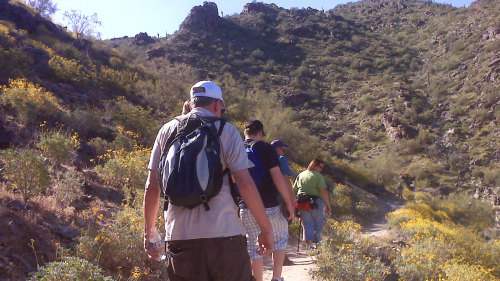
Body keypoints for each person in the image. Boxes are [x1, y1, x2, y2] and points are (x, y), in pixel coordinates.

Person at [143, 81, 274, 281]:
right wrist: (266, 229)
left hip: (179, 238)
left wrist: (149, 233)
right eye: (221, 108)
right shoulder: (226, 130)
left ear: (190, 104)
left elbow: (152, 187)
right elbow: (245, 183)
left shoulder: (167, 130)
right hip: (225, 235)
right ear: (216, 104)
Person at [241, 120, 295, 281]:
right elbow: (278, 178)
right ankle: (276, 278)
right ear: (261, 133)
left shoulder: (236, 148)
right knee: (280, 238)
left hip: (246, 207)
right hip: (270, 206)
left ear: (245, 133)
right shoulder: (266, 149)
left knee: (253, 245)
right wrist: (289, 204)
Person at [293, 159, 332, 249]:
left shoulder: (301, 175)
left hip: (302, 202)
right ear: (314, 165)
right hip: (316, 202)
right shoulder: (318, 176)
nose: (321, 169)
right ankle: (318, 244)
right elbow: (323, 191)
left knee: (307, 223)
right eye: (320, 167)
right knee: (319, 223)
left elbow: (294, 189)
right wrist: (328, 205)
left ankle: (310, 244)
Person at [271, 139, 295, 266]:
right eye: (282, 149)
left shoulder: (265, 159)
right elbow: (286, 180)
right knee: (283, 228)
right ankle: (282, 258)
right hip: (281, 197)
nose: (283, 151)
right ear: (277, 149)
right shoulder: (281, 160)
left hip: (267, 198)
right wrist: (291, 199)